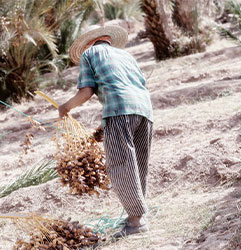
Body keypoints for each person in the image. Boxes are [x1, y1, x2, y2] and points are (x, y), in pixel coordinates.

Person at [58, 25, 153, 238]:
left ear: (88, 42)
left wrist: (65, 107)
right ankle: (137, 217)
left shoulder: (89, 54)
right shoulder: (126, 56)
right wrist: (103, 126)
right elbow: (128, 87)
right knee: (138, 164)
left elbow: (86, 92)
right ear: (107, 39)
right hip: (145, 110)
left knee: (121, 165)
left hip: (120, 112)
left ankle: (136, 222)